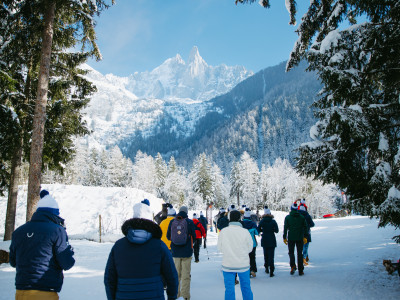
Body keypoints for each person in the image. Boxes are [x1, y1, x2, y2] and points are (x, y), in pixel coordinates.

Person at [9, 190, 75, 300]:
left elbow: (13, 262)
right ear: (54, 213)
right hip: (45, 291)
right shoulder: (57, 231)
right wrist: (69, 251)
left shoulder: (18, 232)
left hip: (21, 291)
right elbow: (67, 263)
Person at [104, 209, 178, 300]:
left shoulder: (118, 246)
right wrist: (172, 297)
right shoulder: (160, 246)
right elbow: (172, 276)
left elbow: (109, 279)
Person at [218, 210, 254, 300]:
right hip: (243, 265)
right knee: (246, 288)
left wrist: (229, 252)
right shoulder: (245, 232)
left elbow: (220, 248)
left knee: (229, 289)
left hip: (228, 264)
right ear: (240, 219)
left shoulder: (224, 231)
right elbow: (250, 248)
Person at [167, 206, 196, 300]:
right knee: (186, 276)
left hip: (175, 252)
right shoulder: (190, 222)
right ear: (187, 212)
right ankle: (185, 296)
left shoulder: (172, 222)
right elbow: (194, 237)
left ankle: (176, 295)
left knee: (176, 275)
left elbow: (168, 237)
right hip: (187, 253)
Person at [283, 202, 308, 276]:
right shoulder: (301, 217)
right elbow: (305, 227)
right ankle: (301, 270)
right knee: (299, 253)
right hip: (300, 237)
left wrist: (284, 237)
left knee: (291, 252)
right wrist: (305, 236)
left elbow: (285, 228)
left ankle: (293, 266)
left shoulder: (288, 217)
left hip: (291, 237)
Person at [257, 206, 279, 277]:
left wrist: (262, 230)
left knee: (265, 254)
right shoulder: (273, 221)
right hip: (272, 239)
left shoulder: (262, 221)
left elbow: (258, 229)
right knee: (271, 256)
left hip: (264, 239)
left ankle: (266, 267)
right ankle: (271, 270)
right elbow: (277, 230)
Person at [242, 208, 259, 278]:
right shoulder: (253, 223)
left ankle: (247, 270)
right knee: (252, 257)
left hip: (244, 243)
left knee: (246, 257)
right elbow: (257, 233)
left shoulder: (241, 223)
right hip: (252, 243)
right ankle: (253, 269)